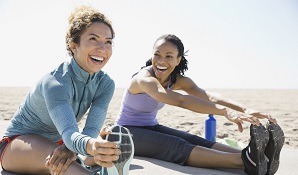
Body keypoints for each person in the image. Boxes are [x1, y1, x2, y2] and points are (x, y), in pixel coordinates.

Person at [92, 34, 283, 175]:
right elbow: (181, 100)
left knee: (195, 140)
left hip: (150, 126)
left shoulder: (178, 80)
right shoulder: (144, 79)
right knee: (176, 146)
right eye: (157, 54)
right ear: (151, 56)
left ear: (178, 60)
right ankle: (245, 161)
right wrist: (225, 113)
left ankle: (258, 156)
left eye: (168, 56)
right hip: (127, 132)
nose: (161, 61)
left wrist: (243, 109)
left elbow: (208, 96)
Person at [0, 5, 128, 175]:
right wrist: (89, 145)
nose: (102, 48)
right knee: (69, 165)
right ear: (73, 45)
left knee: (76, 152)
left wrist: (84, 146)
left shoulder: (105, 84)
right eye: (93, 39)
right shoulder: (55, 83)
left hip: (61, 143)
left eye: (108, 42)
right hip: (16, 145)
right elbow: (69, 132)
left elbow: (91, 129)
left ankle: (101, 161)